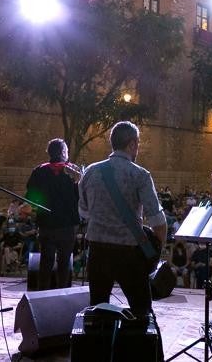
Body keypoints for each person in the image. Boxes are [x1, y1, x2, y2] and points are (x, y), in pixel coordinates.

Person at [77, 121, 167, 318]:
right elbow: (158, 223)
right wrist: (155, 255)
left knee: (98, 311)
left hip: (97, 251)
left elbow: (84, 212)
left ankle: (102, 347)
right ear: (132, 144)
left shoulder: (90, 171)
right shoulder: (140, 175)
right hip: (129, 255)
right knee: (141, 311)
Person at [25, 138, 81, 290]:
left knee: (45, 262)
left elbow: (31, 196)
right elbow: (82, 195)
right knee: (64, 263)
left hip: (46, 223)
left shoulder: (39, 171)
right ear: (63, 152)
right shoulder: (73, 171)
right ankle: (62, 295)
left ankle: (42, 295)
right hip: (68, 225)